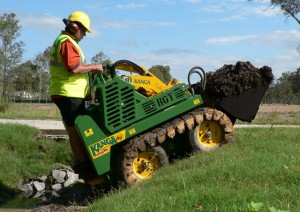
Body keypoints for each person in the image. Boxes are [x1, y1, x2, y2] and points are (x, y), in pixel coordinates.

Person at [49, 11, 103, 176]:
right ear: (74, 27)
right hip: (69, 93)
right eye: (84, 30)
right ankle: (86, 168)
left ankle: (84, 165)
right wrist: (95, 66)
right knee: (77, 131)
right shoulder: (67, 42)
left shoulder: (66, 41)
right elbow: (74, 68)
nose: (85, 34)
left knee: (77, 130)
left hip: (67, 93)